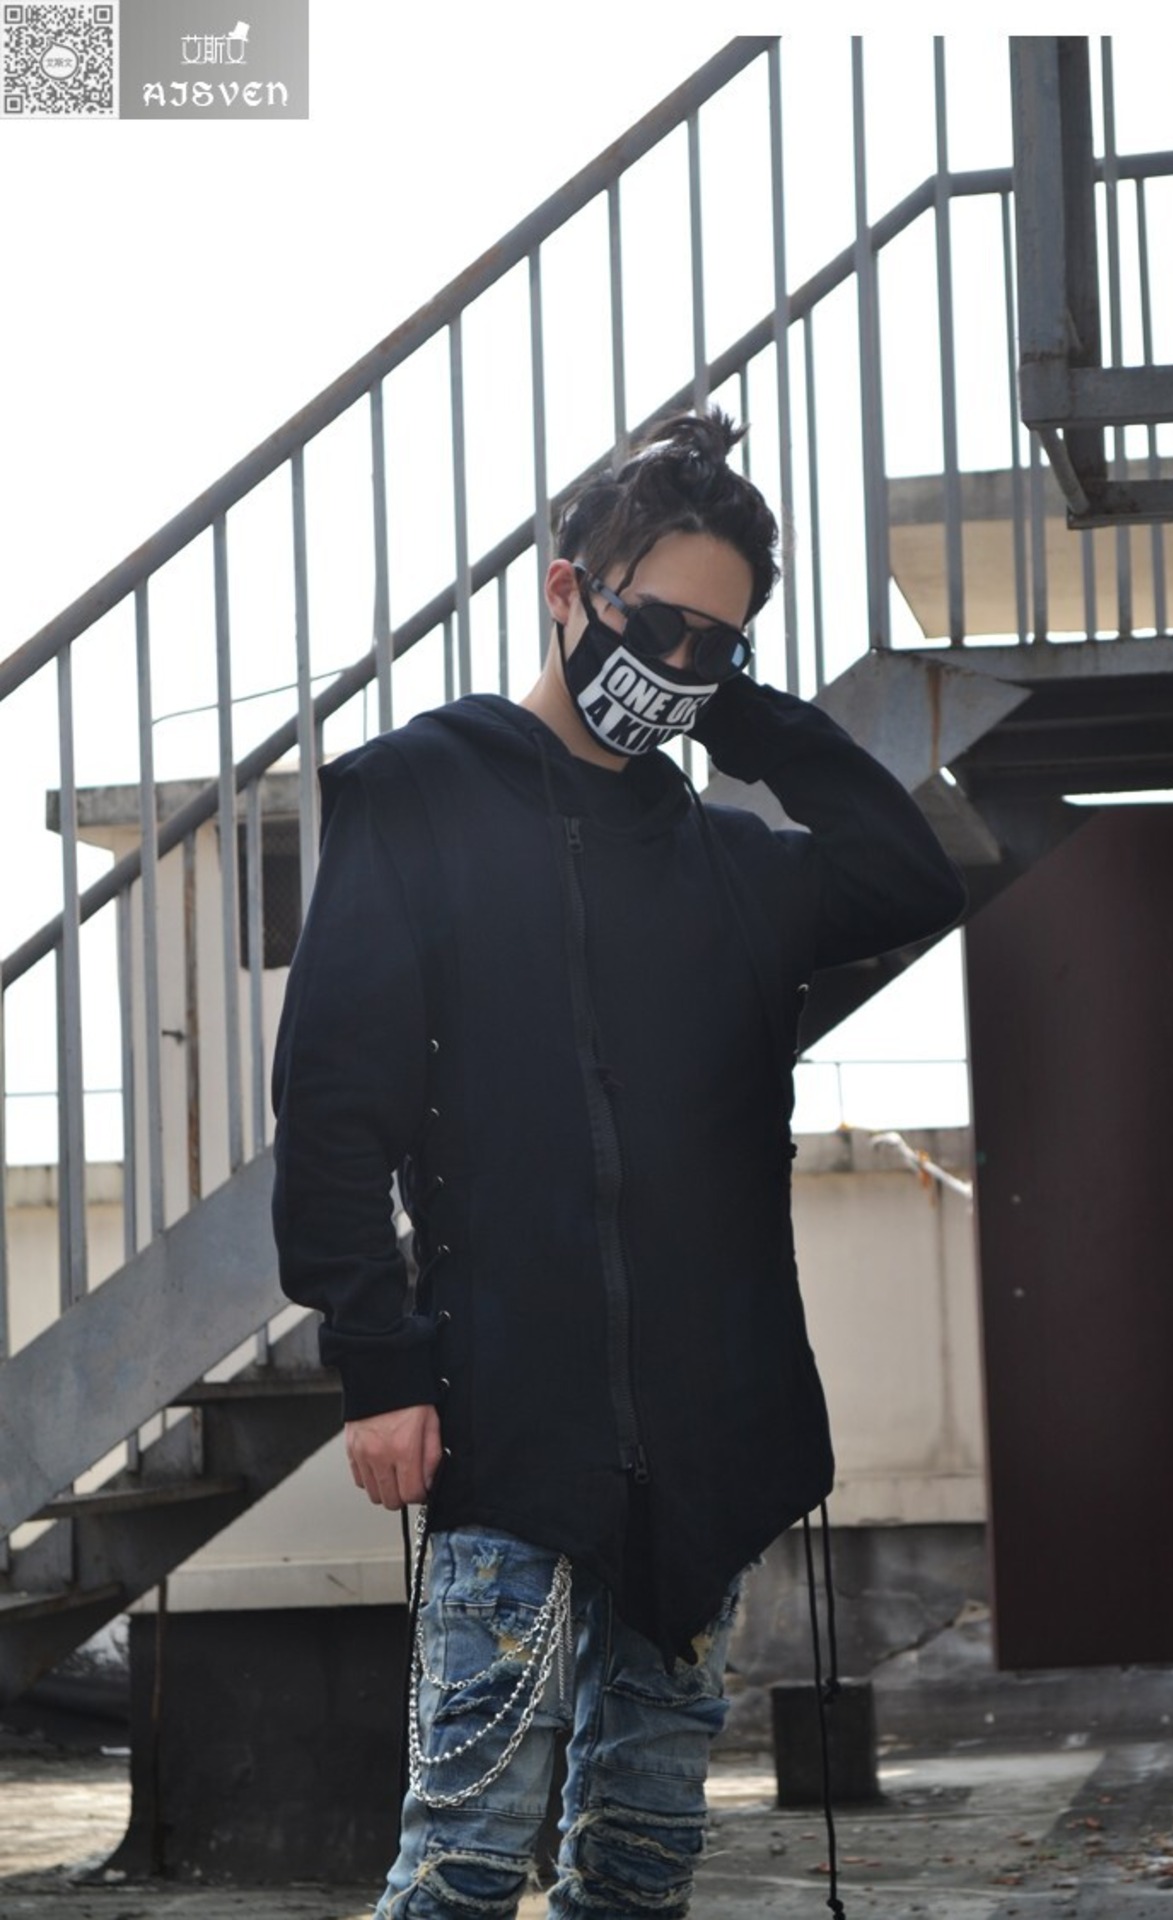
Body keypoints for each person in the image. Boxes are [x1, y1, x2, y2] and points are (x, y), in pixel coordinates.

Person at [271, 409, 966, 1919]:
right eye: (659, 626)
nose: (679, 666)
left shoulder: (726, 864)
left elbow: (908, 874)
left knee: (643, 1859)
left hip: (707, 1436)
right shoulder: (420, 796)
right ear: (565, 589)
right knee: (464, 1860)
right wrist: (378, 1361)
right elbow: (332, 1111)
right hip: (507, 1422)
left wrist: (743, 716)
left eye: (720, 645)